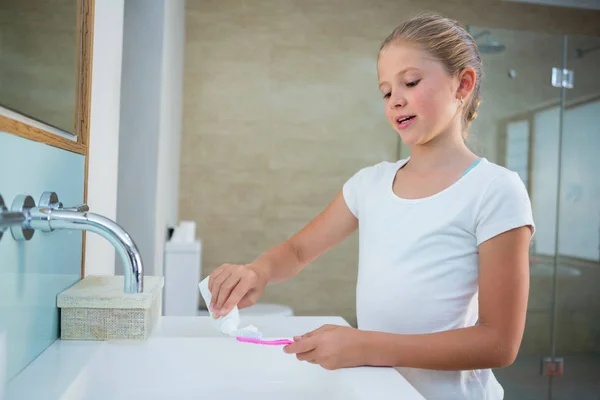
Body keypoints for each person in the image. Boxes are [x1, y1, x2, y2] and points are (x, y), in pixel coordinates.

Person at [206, 12, 534, 400]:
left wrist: (364, 346)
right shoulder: (370, 183)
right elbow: (296, 251)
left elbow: (498, 343)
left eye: (410, 82)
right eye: (385, 90)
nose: (396, 99)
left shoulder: (495, 190)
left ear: (462, 84)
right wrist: (257, 271)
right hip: (382, 390)